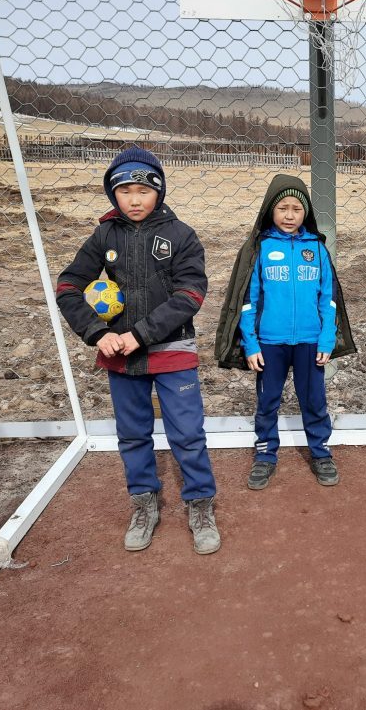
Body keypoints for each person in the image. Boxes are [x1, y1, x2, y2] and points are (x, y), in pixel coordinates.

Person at [56, 147, 220, 554]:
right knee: (132, 434)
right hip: (121, 357)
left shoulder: (181, 235)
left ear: (159, 192)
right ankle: (144, 503)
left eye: (143, 191)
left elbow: (191, 293)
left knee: (187, 433)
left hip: (172, 351)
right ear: (112, 193)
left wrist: (142, 334)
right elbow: (68, 287)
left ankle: (200, 503)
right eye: (125, 191)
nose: (134, 200)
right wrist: (97, 332)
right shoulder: (103, 236)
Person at [215, 174, 355, 491]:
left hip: (310, 342)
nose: (289, 215)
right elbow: (247, 301)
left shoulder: (316, 249)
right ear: (270, 210)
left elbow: (328, 298)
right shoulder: (259, 249)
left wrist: (327, 338)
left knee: (314, 400)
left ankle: (321, 453)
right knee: (268, 401)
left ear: (306, 212)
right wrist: (251, 344)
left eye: (296, 208)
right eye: (282, 208)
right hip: (269, 344)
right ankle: (265, 455)